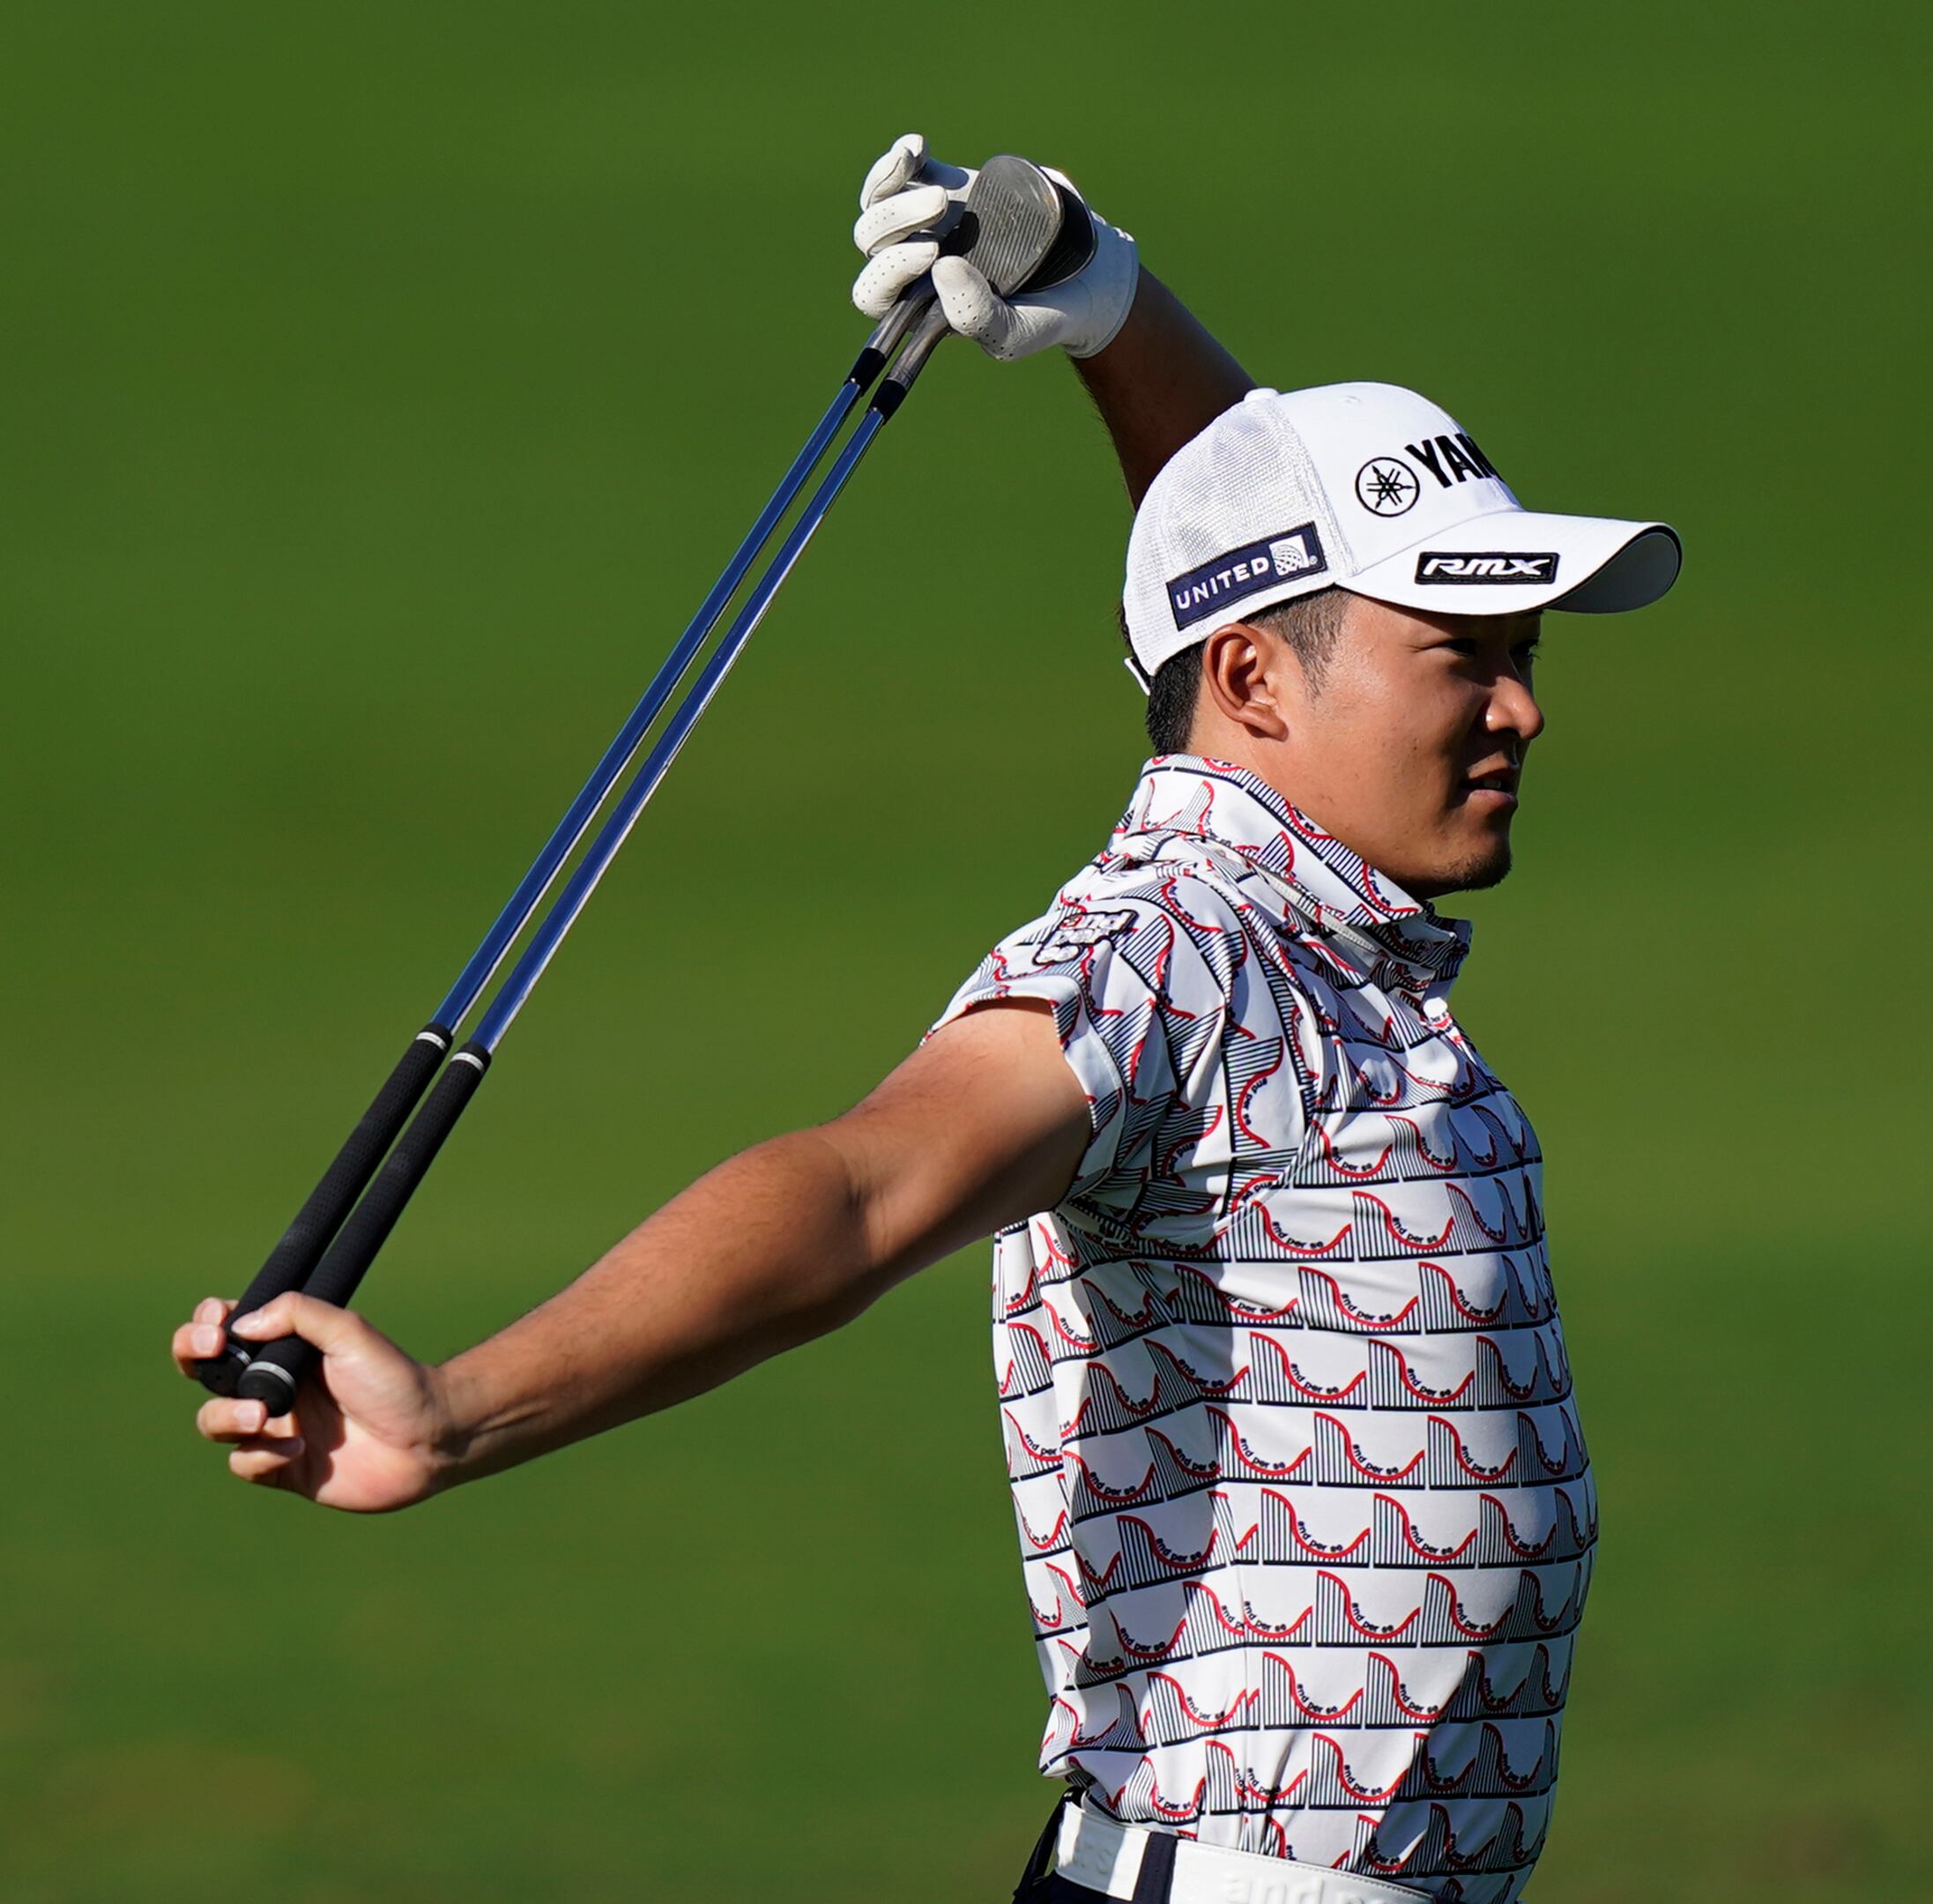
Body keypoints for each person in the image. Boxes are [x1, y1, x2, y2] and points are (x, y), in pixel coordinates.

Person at [170, 133, 1680, 1904]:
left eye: (1529, 659)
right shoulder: (1170, 948)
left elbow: (1253, 544)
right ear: (1257, 685)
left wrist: (1112, 307)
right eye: (1466, 658)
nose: (1522, 713)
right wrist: (459, 1410)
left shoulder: (1324, 936)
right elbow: (855, 1192)